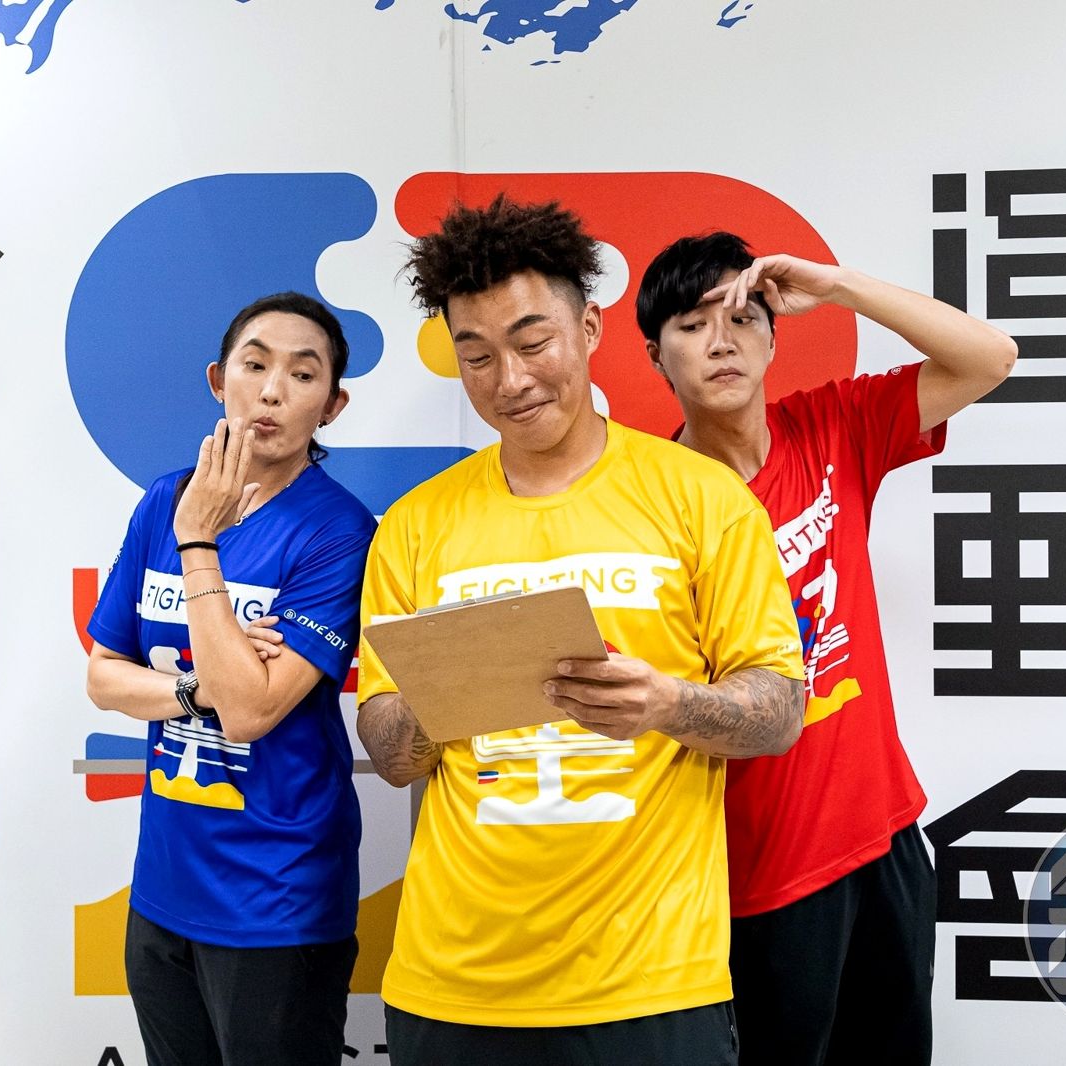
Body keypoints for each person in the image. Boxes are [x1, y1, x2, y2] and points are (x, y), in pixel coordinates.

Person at [355, 196, 807, 1065]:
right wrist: (448, 690)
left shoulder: (702, 498)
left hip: (653, 985)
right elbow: (389, 752)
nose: (510, 380)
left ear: (590, 328)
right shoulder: (414, 526)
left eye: (533, 343)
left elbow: (779, 712)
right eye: (477, 356)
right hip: (450, 985)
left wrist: (666, 704)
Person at [634, 233, 1018, 1065]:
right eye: (692, 325)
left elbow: (990, 358)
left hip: (886, 837)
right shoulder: (648, 505)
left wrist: (840, 286)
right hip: (760, 871)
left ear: (774, 339)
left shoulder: (832, 426)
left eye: (743, 318)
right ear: (656, 356)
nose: (722, 340)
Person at [84, 292, 376, 1066]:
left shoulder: (339, 530)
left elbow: (250, 713)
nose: (272, 391)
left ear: (333, 405)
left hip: (276, 896)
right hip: (163, 884)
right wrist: (199, 687)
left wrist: (199, 545)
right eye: (254, 365)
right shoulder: (163, 500)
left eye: (303, 375)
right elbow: (104, 677)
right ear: (219, 380)